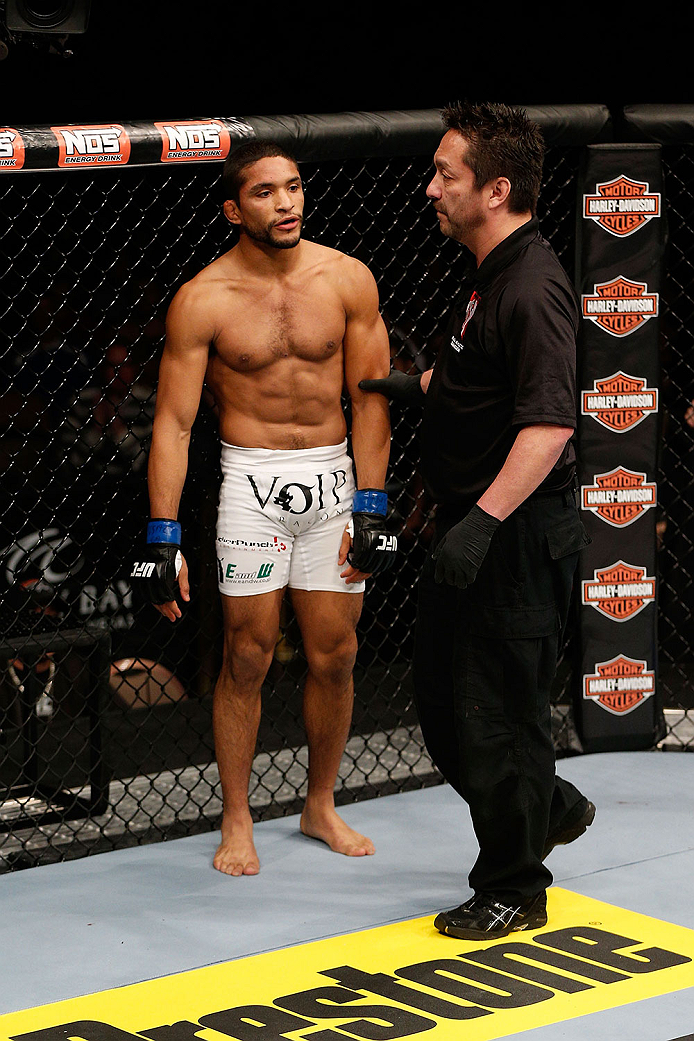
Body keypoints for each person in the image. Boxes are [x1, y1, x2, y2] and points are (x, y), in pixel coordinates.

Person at [361, 101, 594, 940]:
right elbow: (481, 385)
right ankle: (550, 804)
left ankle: (513, 884)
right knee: (444, 704)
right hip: (477, 526)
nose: (430, 188)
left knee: (499, 716)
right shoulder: (490, 275)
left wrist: (483, 522)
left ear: (496, 190)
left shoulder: (533, 288)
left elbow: (548, 424)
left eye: (445, 175)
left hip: (514, 534)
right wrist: (415, 389)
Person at [131, 141, 396, 876]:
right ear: (232, 208)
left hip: (333, 479)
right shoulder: (203, 298)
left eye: (294, 187)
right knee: (246, 653)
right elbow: (175, 425)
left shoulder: (347, 279)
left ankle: (319, 803)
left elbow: (372, 399)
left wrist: (372, 504)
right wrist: (162, 533)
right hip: (250, 482)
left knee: (334, 654)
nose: (285, 203)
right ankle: (238, 815)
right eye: (265, 193)